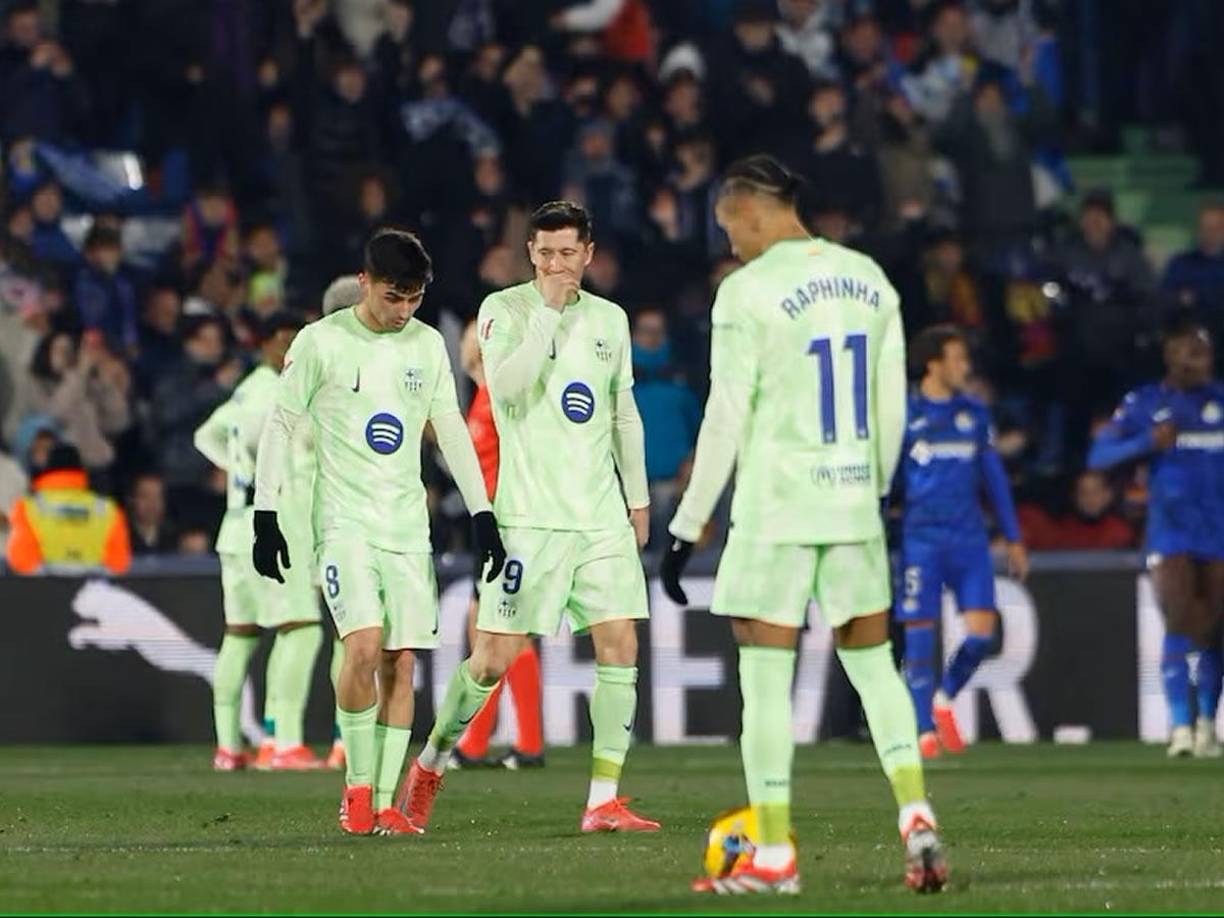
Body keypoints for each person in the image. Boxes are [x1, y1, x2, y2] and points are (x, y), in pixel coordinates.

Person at [660, 156, 946, 894]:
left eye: (730, 228)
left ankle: (776, 856)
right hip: (852, 501)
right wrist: (870, 492)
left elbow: (726, 415)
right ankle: (915, 811)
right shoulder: (871, 280)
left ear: (753, 210)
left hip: (776, 505)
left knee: (764, 678)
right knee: (874, 664)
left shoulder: (747, 292)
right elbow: (892, 411)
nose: (730, 245)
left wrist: (688, 524)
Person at [397, 201, 656, 836]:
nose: (557, 265)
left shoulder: (610, 321)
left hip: (598, 517)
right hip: (528, 522)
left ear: (589, 254)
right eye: (544, 254)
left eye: (568, 253)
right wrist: (544, 313)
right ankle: (429, 763)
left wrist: (639, 497)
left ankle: (603, 800)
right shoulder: (504, 311)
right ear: (531, 255)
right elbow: (505, 389)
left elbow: (623, 412)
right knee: (490, 659)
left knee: (621, 644)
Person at [252, 229, 505, 836]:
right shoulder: (321, 343)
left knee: (401, 663)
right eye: (394, 297)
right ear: (364, 283)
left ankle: (388, 799)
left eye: (414, 299)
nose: (404, 311)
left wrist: (483, 514)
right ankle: (358, 790)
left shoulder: (425, 347)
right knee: (362, 646)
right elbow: (281, 425)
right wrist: (266, 514)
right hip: (343, 524)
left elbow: (450, 430)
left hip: (405, 529)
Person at [194, 312, 326, 773]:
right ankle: (283, 742)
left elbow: (205, 435)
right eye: (285, 341)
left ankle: (229, 746)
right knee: (301, 629)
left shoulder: (243, 392)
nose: (291, 351)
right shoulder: (275, 395)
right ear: (267, 344)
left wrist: (238, 472)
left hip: (234, 528)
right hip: (274, 526)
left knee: (240, 635)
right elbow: (303, 449)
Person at [1089, 318, 1224, 759]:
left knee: (1216, 631)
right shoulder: (1145, 403)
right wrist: (1147, 442)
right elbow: (1099, 455)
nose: (1203, 359)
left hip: (1219, 534)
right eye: (1194, 351)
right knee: (1179, 622)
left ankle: (1207, 725)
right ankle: (1181, 728)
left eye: (1206, 351)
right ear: (1172, 355)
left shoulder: (1219, 401)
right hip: (1171, 534)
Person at [893, 325, 1029, 760]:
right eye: (957, 358)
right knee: (918, 638)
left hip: (969, 540)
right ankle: (921, 732)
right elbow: (886, 477)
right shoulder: (903, 413)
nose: (965, 367)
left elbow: (994, 478)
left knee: (982, 636)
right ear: (933, 363)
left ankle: (944, 698)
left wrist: (1013, 536)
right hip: (921, 540)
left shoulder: (974, 413)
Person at [450, 319, 545, 771]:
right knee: (491, 632)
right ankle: (504, 743)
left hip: (507, 522)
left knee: (501, 633)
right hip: (489, 521)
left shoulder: (502, 398)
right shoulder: (484, 394)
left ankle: (505, 744)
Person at [7, 442, 130, 576]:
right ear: (82, 471)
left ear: (47, 470)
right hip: (92, 592)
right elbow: (119, 563)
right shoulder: (107, 509)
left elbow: (21, 560)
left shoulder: (27, 508)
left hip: (43, 592)